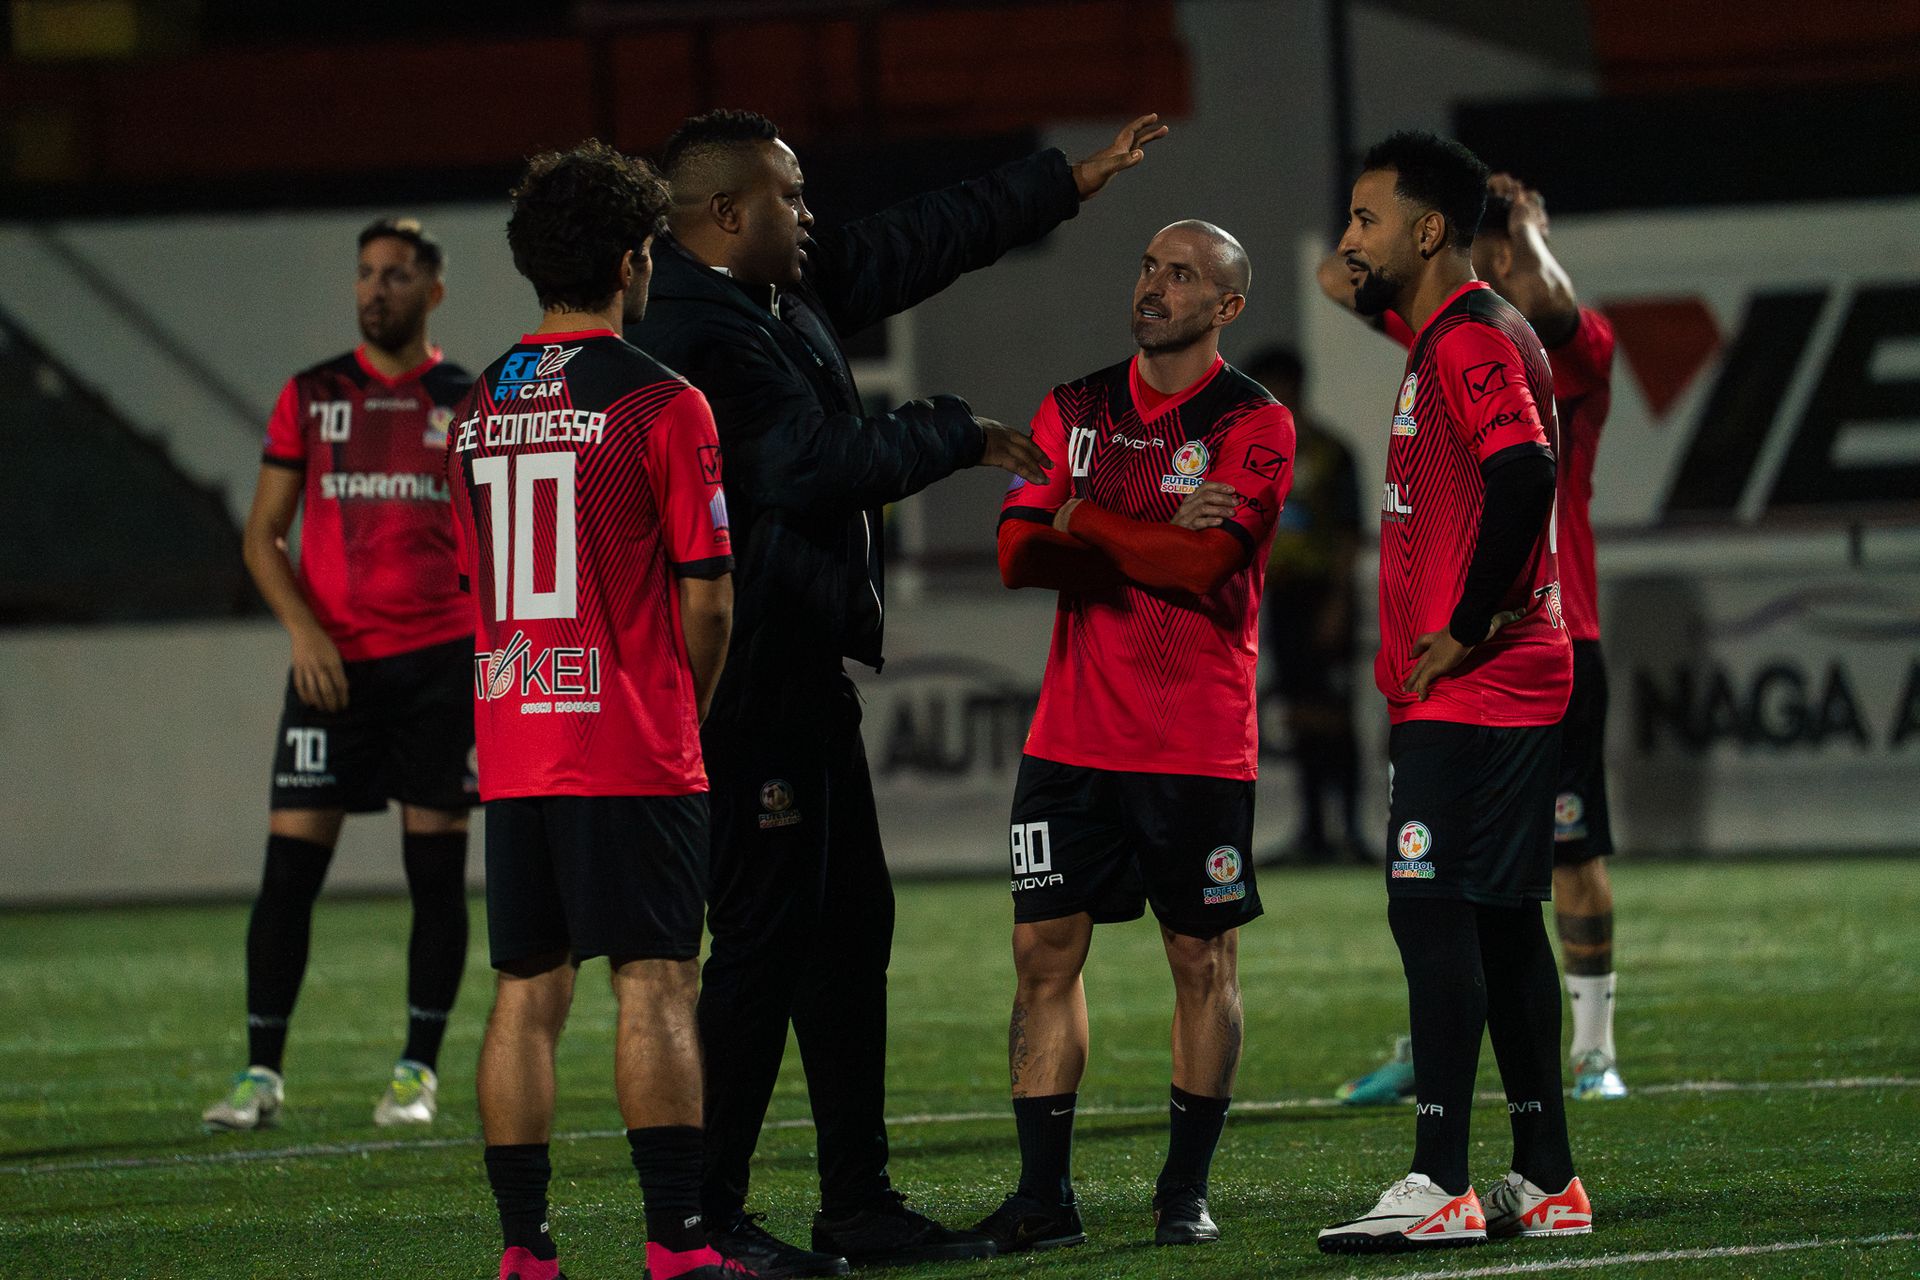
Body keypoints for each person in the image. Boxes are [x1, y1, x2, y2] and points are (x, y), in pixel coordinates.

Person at [627, 108, 1167, 1276]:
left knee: (846, 927)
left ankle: (856, 1202)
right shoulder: (691, 328)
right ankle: (705, 1218)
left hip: (798, 668)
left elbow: (917, 240)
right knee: (763, 941)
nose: (809, 216)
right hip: (736, 676)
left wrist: (1059, 186)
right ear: (727, 215)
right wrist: (952, 433)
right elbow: (806, 461)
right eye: (790, 196)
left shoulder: (766, 296)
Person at [446, 140, 740, 1280]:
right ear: (631, 258)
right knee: (657, 980)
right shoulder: (662, 400)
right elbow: (706, 599)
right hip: (628, 737)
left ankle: (526, 1250)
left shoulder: (475, 405)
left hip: (516, 739)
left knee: (526, 991)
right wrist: (686, 716)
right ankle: (676, 1244)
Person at [976, 221, 1294, 1252]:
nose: (1156, 286)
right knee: (1040, 956)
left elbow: (1206, 573)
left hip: (1194, 742)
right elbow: (1017, 553)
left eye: (1184, 274)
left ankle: (1182, 1191)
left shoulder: (1257, 422)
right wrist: (1145, 531)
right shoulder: (1073, 406)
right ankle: (1043, 1195)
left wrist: (1084, 516)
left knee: (1200, 960)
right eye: (1150, 266)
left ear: (1227, 305)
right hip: (1070, 736)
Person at [1315, 132, 1591, 1254]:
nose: (1348, 241)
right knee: (1498, 914)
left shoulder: (1472, 338)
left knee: (1427, 906)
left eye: (1367, 219)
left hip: (1482, 685)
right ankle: (1548, 1175)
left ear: (1428, 231)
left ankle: (1439, 1177)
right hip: (1501, 681)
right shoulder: (1459, 331)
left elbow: (1525, 472)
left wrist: (1468, 624)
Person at [205, 217, 475, 1133]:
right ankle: (259, 1074)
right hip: (334, 672)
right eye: (365, 274)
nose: (375, 290)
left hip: (441, 666)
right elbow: (262, 536)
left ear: (433, 291)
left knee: (434, 876)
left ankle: (415, 1072)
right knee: (288, 872)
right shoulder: (312, 395)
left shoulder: (468, 401)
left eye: (396, 275)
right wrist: (305, 633)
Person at [1243, 346, 1363, 865]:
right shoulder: (1256, 452)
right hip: (1282, 597)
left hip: (1323, 596)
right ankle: (1312, 831)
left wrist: (1337, 601)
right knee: (1297, 714)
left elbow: (1346, 535)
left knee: (1333, 714)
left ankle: (1352, 832)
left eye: (1278, 385)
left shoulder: (1330, 453)